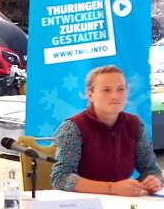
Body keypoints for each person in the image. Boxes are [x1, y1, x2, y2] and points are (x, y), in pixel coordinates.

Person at [51, 65, 163, 196]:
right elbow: (61, 178)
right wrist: (112, 188)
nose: (115, 96)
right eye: (106, 90)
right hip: (83, 206)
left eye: (121, 89)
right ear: (90, 94)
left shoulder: (135, 124)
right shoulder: (72, 128)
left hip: (124, 201)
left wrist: (155, 180)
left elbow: (150, 169)